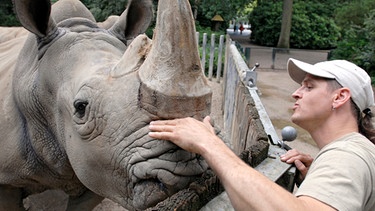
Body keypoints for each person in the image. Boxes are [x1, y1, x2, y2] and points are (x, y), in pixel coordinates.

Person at [149, 58, 375, 210]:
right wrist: (318, 183)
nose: (296, 93)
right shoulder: (353, 152)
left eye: (309, 86)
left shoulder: (346, 156)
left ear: (340, 97)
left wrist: (210, 145)